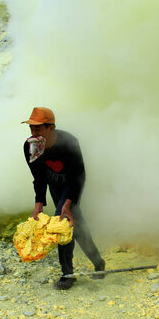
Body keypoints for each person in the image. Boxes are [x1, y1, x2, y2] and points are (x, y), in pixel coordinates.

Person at [22, 107, 106, 290]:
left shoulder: (69, 143)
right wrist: (39, 204)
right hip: (54, 186)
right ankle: (99, 263)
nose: (33, 133)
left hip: (72, 186)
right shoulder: (31, 146)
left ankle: (68, 275)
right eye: (31, 129)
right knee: (77, 228)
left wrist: (68, 203)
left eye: (38, 129)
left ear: (51, 128)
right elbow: (38, 178)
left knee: (61, 224)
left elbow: (79, 175)